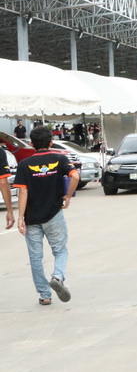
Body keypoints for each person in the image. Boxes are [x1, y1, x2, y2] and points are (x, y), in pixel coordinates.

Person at [9, 125, 79, 306]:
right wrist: (68, 196)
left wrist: (20, 217)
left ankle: (45, 295)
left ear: (31, 143)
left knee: (35, 257)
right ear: (51, 142)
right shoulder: (60, 158)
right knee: (60, 250)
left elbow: (22, 192)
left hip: (32, 217)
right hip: (54, 214)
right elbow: (75, 176)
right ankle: (58, 277)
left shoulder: (25, 164)